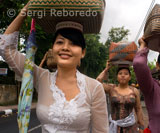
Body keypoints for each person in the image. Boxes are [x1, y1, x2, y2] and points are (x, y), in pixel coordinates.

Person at [0, 2, 108, 133]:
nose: (65, 48)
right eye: (60, 42)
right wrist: (26, 10)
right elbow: (5, 49)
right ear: (53, 49)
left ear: (83, 52)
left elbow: (101, 131)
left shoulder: (94, 88)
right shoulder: (41, 77)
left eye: (73, 44)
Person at [96, 62, 144, 133]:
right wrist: (106, 69)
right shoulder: (111, 88)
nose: (123, 75)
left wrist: (141, 126)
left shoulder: (134, 91)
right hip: (114, 128)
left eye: (126, 74)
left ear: (130, 77)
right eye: (120, 73)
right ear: (117, 76)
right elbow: (97, 83)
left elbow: (138, 108)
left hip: (130, 127)